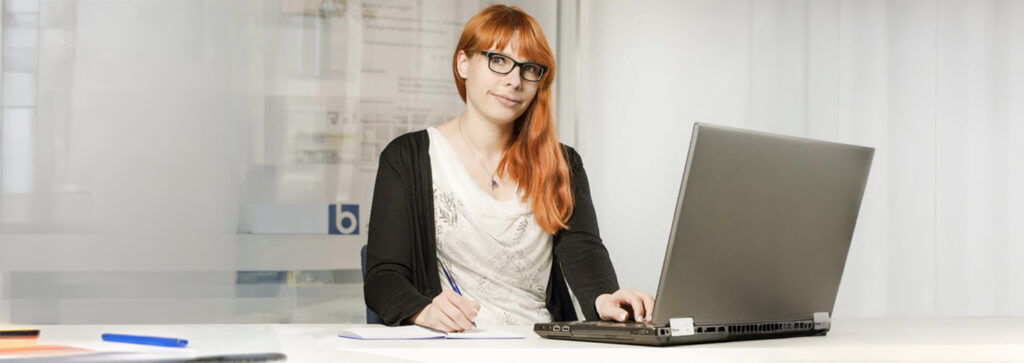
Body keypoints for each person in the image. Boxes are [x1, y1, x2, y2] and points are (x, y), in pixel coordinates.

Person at [363, 4, 654, 332]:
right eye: (498, 61)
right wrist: (424, 310)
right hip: (453, 346)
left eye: (529, 68)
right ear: (463, 63)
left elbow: (583, 249)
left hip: (539, 346)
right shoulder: (407, 158)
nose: (514, 80)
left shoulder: (562, 162)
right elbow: (383, 277)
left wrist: (605, 298)